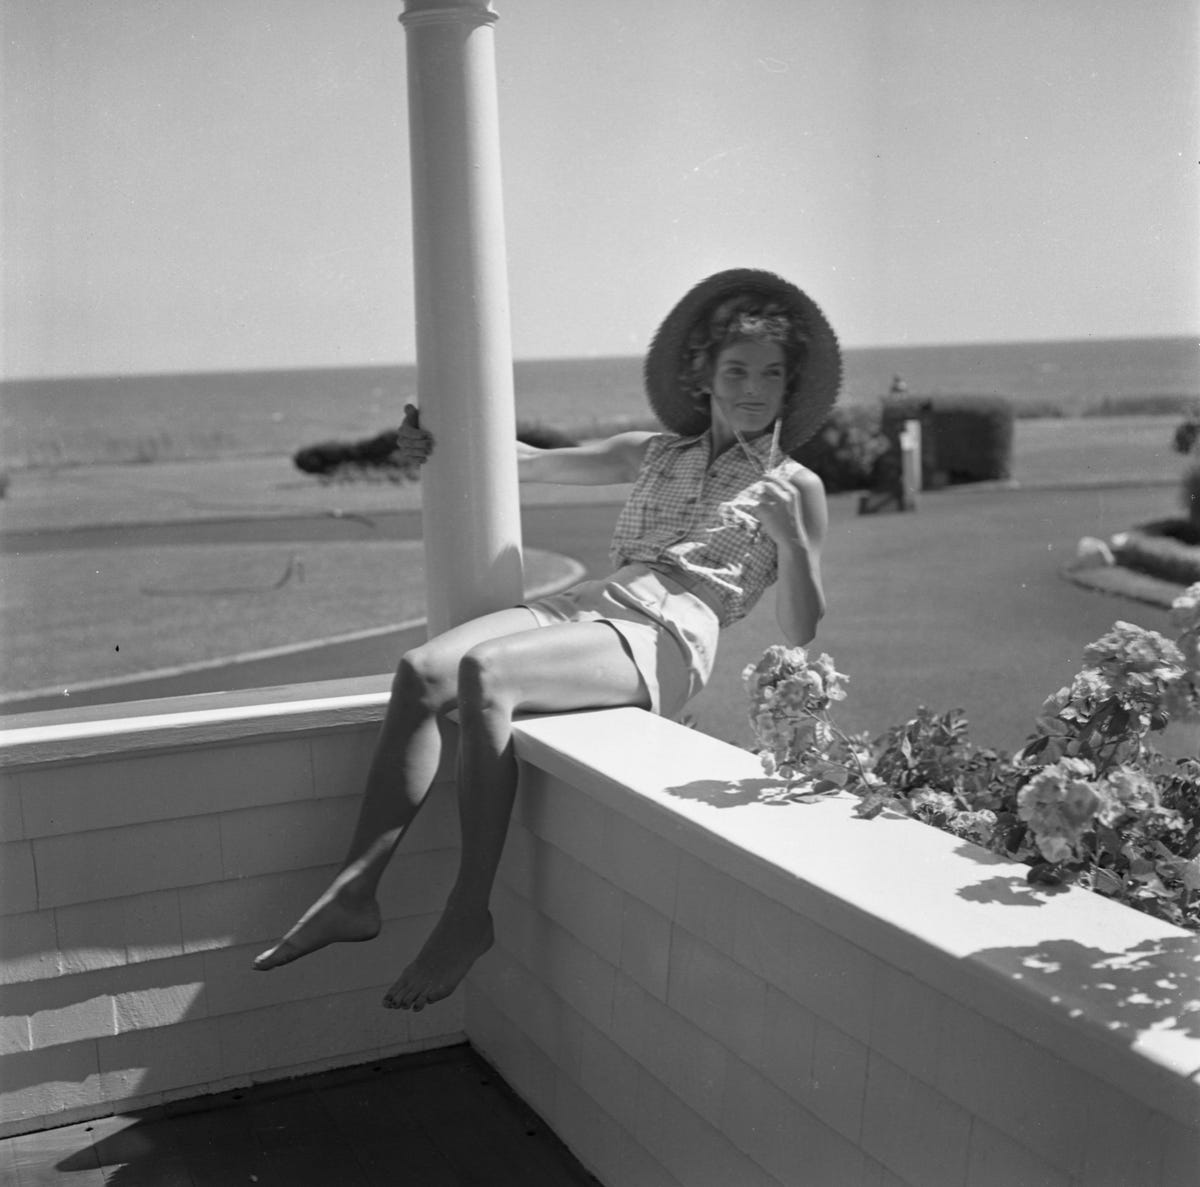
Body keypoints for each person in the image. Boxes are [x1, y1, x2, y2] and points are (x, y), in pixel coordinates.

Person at [253, 267, 841, 1011]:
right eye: (736, 369)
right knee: (422, 669)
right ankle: (354, 888)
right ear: (703, 375)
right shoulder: (654, 452)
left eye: (771, 374)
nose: (753, 388)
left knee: (486, 674)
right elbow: (519, 462)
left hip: (670, 632)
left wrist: (794, 544)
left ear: (791, 387)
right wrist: (425, 441)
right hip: (595, 604)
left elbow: (802, 625)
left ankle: (469, 914)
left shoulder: (797, 484)